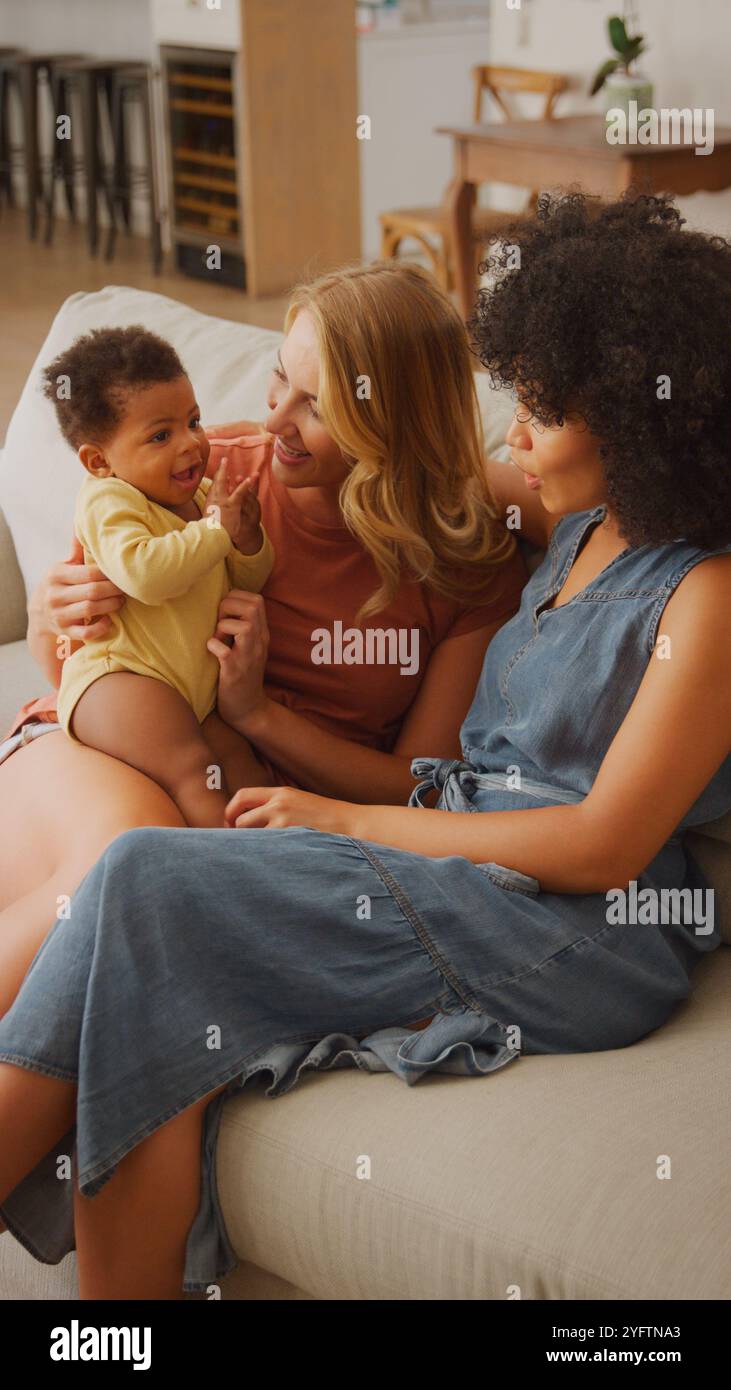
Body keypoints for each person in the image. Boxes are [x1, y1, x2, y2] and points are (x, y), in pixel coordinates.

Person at [3, 190, 727, 1301]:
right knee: (151, 934)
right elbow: (420, 470)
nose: (514, 434)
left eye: (537, 410)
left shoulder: (702, 594)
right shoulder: (565, 513)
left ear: (640, 418)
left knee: (148, 879)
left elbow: (599, 845)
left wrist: (341, 818)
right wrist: (76, 592)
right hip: (461, 858)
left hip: (574, 925)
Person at [0, 261, 525, 1015]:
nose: (272, 420)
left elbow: (420, 786)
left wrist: (256, 716)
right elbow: (73, 669)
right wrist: (52, 615)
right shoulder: (209, 478)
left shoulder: (467, 567)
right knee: (127, 863)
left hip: (252, 811)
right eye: (280, 381)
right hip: (96, 755)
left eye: (316, 407)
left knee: (163, 952)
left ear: (393, 422)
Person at [44, 326, 275, 828]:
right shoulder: (109, 500)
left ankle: (295, 855)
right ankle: (236, 877)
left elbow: (246, 581)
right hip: (121, 679)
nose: (192, 443)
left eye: (194, 421)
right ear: (99, 460)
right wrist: (217, 530)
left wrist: (247, 542)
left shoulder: (200, 496)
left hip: (192, 692)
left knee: (242, 763)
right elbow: (145, 574)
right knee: (193, 770)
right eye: (161, 435)